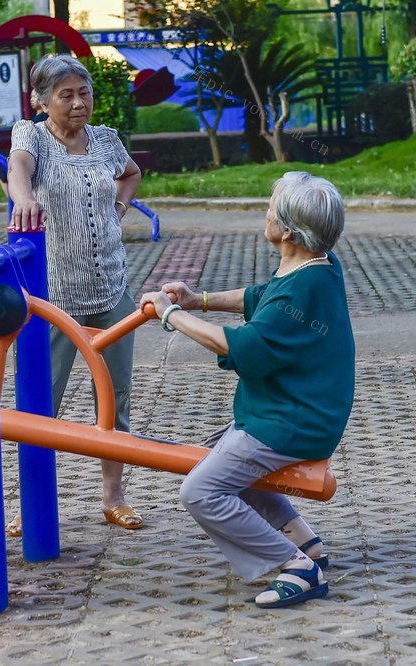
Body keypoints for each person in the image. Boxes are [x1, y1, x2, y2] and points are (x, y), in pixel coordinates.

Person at [138, 172, 354, 608]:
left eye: (271, 207)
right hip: (295, 411)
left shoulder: (302, 289)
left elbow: (238, 345)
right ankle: (304, 541)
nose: (266, 212)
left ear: (288, 231)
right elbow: (262, 296)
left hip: (292, 422)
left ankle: (297, 566)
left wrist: (169, 316)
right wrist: (198, 299)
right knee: (223, 458)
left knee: (200, 491)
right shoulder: (317, 267)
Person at [7, 54, 143, 535]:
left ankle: (114, 498)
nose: (79, 102)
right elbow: (18, 169)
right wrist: (23, 197)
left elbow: (130, 173)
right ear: (41, 100)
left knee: (116, 399)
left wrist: (121, 208)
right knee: (42, 405)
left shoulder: (105, 140)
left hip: (111, 287)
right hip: (54, 298)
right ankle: (34, 505)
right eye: (66, 94)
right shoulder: (31, 135)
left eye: (83, 92)